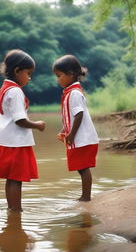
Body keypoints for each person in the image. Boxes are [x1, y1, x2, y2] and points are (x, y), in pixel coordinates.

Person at [0, 49, 45, 212]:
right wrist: (36, 124)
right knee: (16, 179)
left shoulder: (5, 88)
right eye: (28, 73)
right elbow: (20, 120)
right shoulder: (15, 91)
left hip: (6, 140)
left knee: (11, 179)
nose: (29, 78)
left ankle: (12, 211)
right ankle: (16, 211)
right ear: (17, 71)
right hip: (16, 142)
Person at [53, 55, 99, 201]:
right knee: (81, 167)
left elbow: (79, 115)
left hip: (82, 138)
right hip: (80, 138)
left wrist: (71, 134)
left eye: (59, 76)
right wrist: (64, 130)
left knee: (83, 167)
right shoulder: (70, 92)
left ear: (71, 74)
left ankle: (86, 197)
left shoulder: (74, 93)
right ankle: (85, 195)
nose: (57, 79)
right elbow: (71, 117)